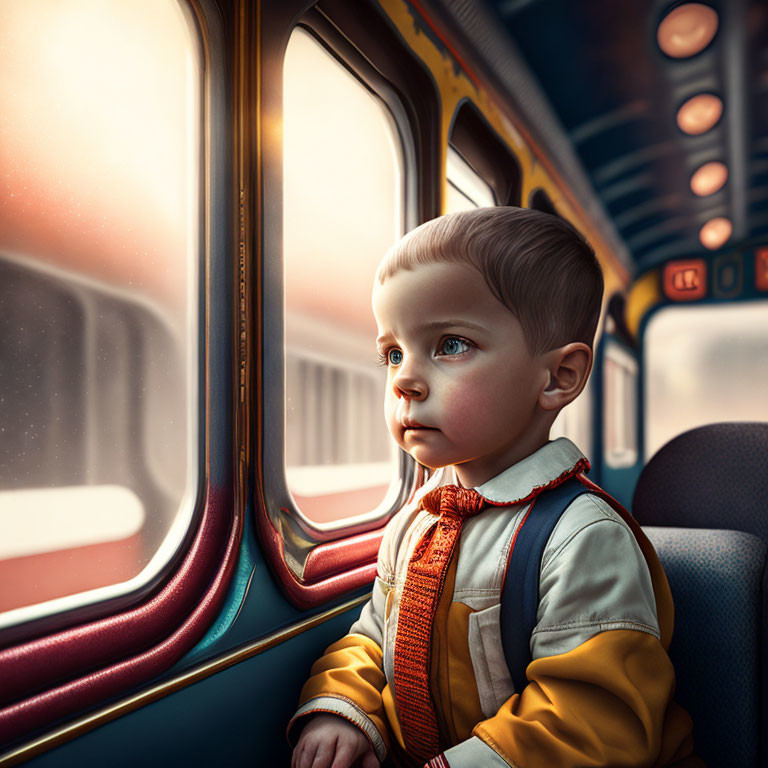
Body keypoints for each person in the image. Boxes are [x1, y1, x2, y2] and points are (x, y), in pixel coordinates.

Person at [288, 207, 699, 768]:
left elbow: (590, 722)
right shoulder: (417, 522)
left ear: (558, 378)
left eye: (451, 345)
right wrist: (344, 706)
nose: (404, 379)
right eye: (393, 353)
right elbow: (376, 635)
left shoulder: (583, 538)